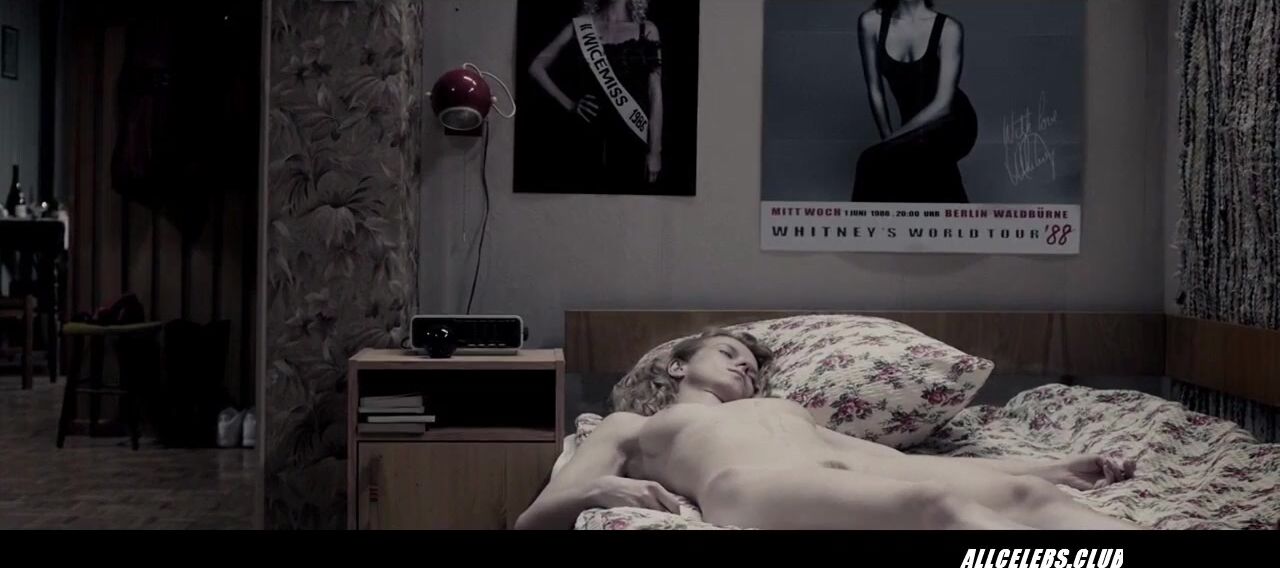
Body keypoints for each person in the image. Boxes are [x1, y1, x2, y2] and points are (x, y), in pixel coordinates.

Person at [515, 328, 1142, 530]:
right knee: (939, 509)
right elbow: (533, 520)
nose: (745, 366)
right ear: (678, 365)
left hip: (844, 476)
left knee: (1033, 498)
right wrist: (600, 490)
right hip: (747, 486)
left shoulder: (783, 411)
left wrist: (1047, 469)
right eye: (728, 352)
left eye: (753, 365)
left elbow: (902, 465)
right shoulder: (632, 423)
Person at [527, 0, 664, 193]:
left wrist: (655, 151)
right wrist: (570, 105)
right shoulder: (580, 26)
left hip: (632, 139)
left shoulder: (647, 29)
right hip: (586, 138)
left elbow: (655, 93)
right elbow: (536, 67)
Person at [851, 0, 978, 203]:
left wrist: (891, 142)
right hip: (913, 127)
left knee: (871, 161)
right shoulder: (870, 22)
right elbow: (875, 90)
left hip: (953, 122)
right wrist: (888, 139)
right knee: (912, 171)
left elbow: (943, 105)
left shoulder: (949, 28)